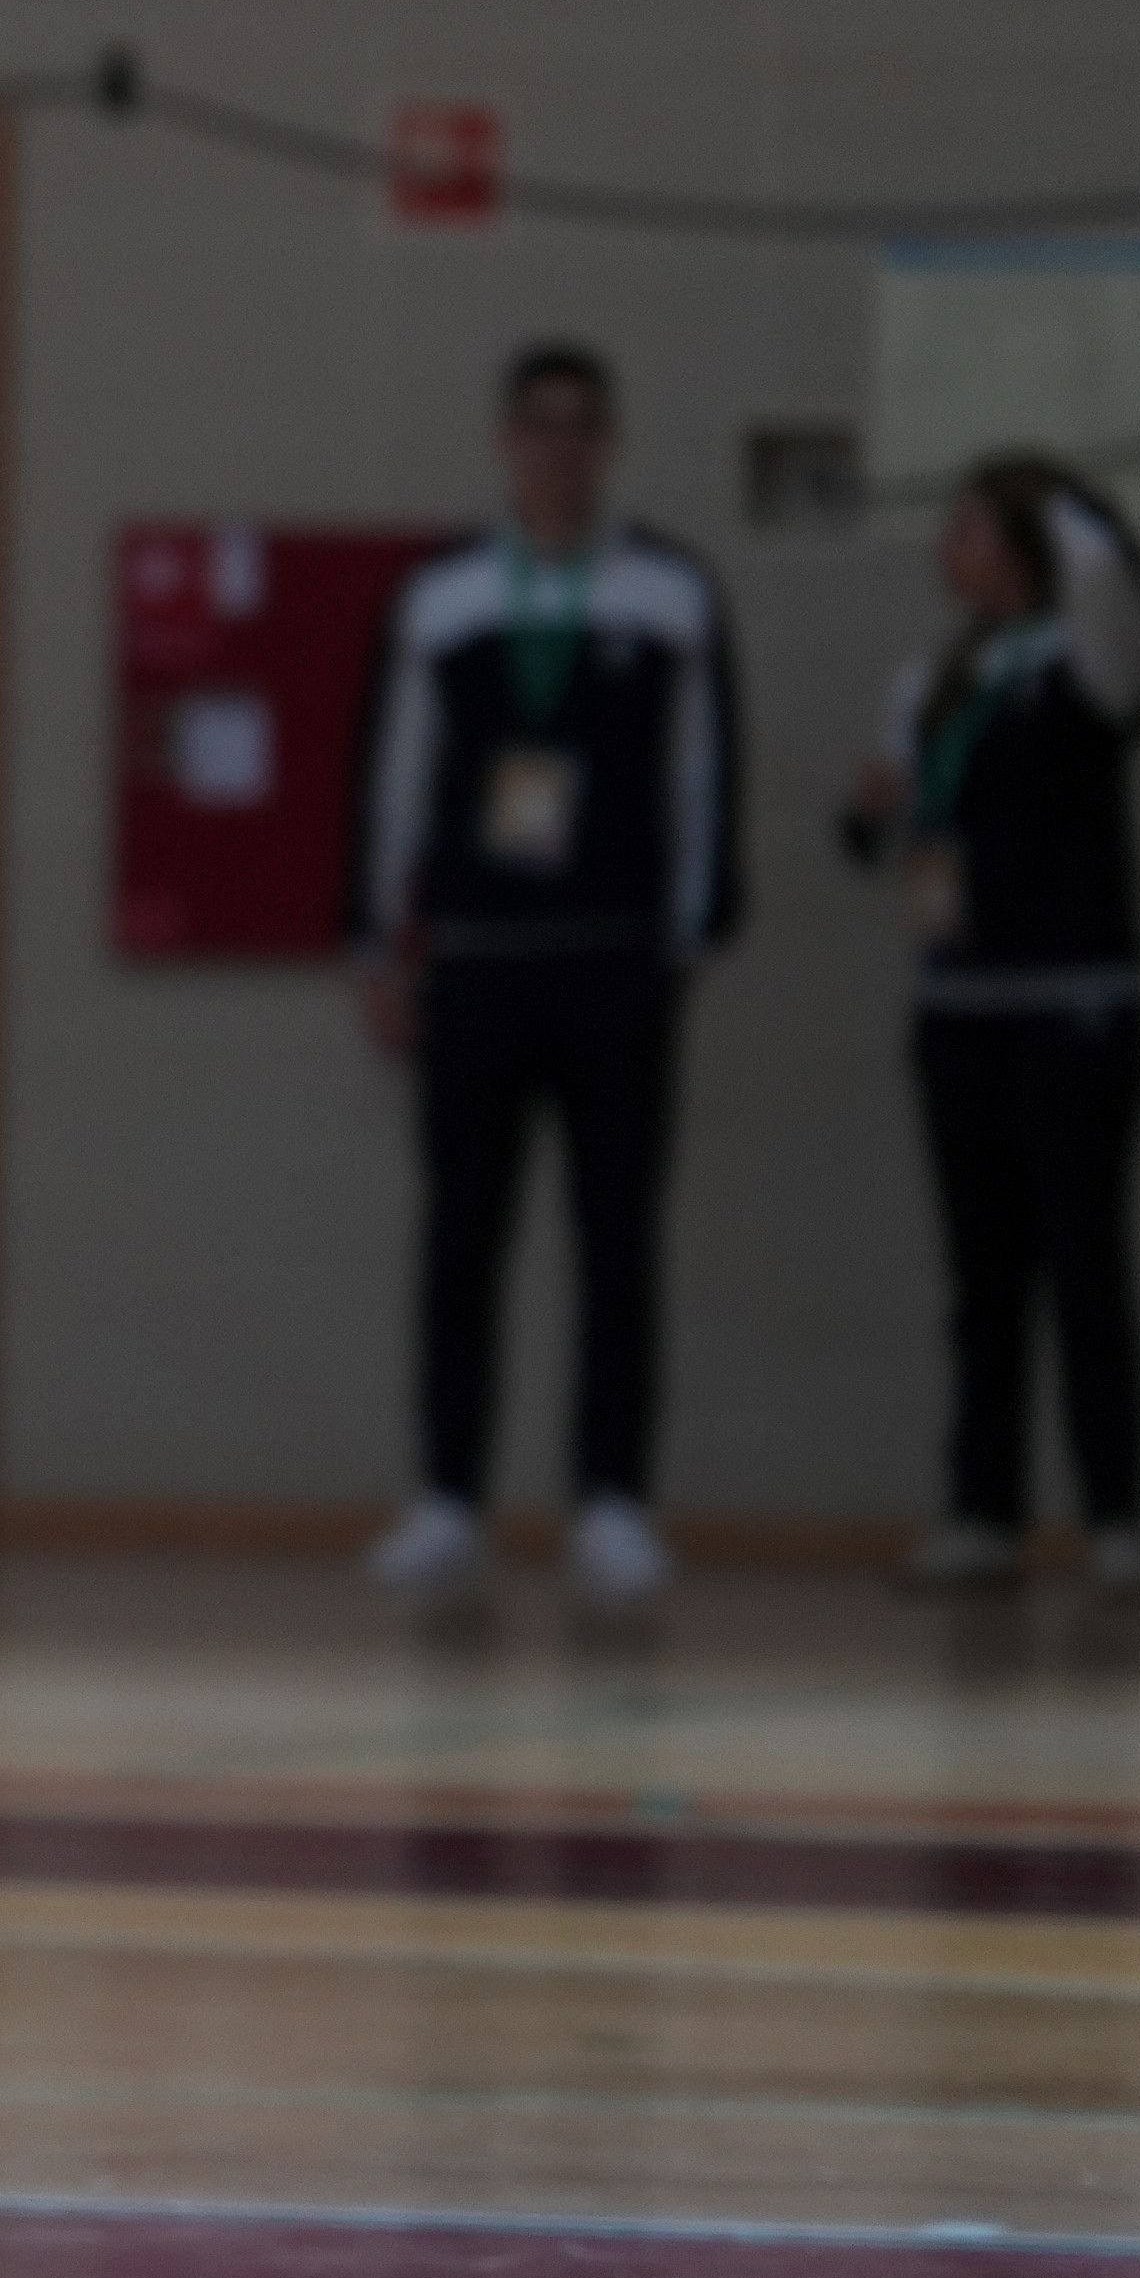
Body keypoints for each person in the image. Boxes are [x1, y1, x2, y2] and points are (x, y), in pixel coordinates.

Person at [352, 339, 740, 1604]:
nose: (559, 447)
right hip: (473, 963)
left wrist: (684, 940)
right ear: (504, 441)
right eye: (537, 424)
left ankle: (612, 1500)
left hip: (616, 966)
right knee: (461, 1236)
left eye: (581, 425)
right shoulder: (441, 596)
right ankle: (449, 1497)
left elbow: (702, 772)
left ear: (611, 441)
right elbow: (394, 777)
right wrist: (377, 941)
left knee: (616, 1237)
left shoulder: (673, 591)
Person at [845, 455, 1140, 1592]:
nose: (949, 549)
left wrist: (1069, 505)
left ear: (1029, 546)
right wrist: (872, 811)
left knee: (1084, 1261)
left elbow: (1115, 594)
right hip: (958, 1010)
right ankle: (983, 1512)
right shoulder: (933, 678)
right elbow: (895, 834)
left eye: (972, 529)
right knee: (981, 1279)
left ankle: (1118, 1519)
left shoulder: (1092, 660)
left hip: (1074, 1008)